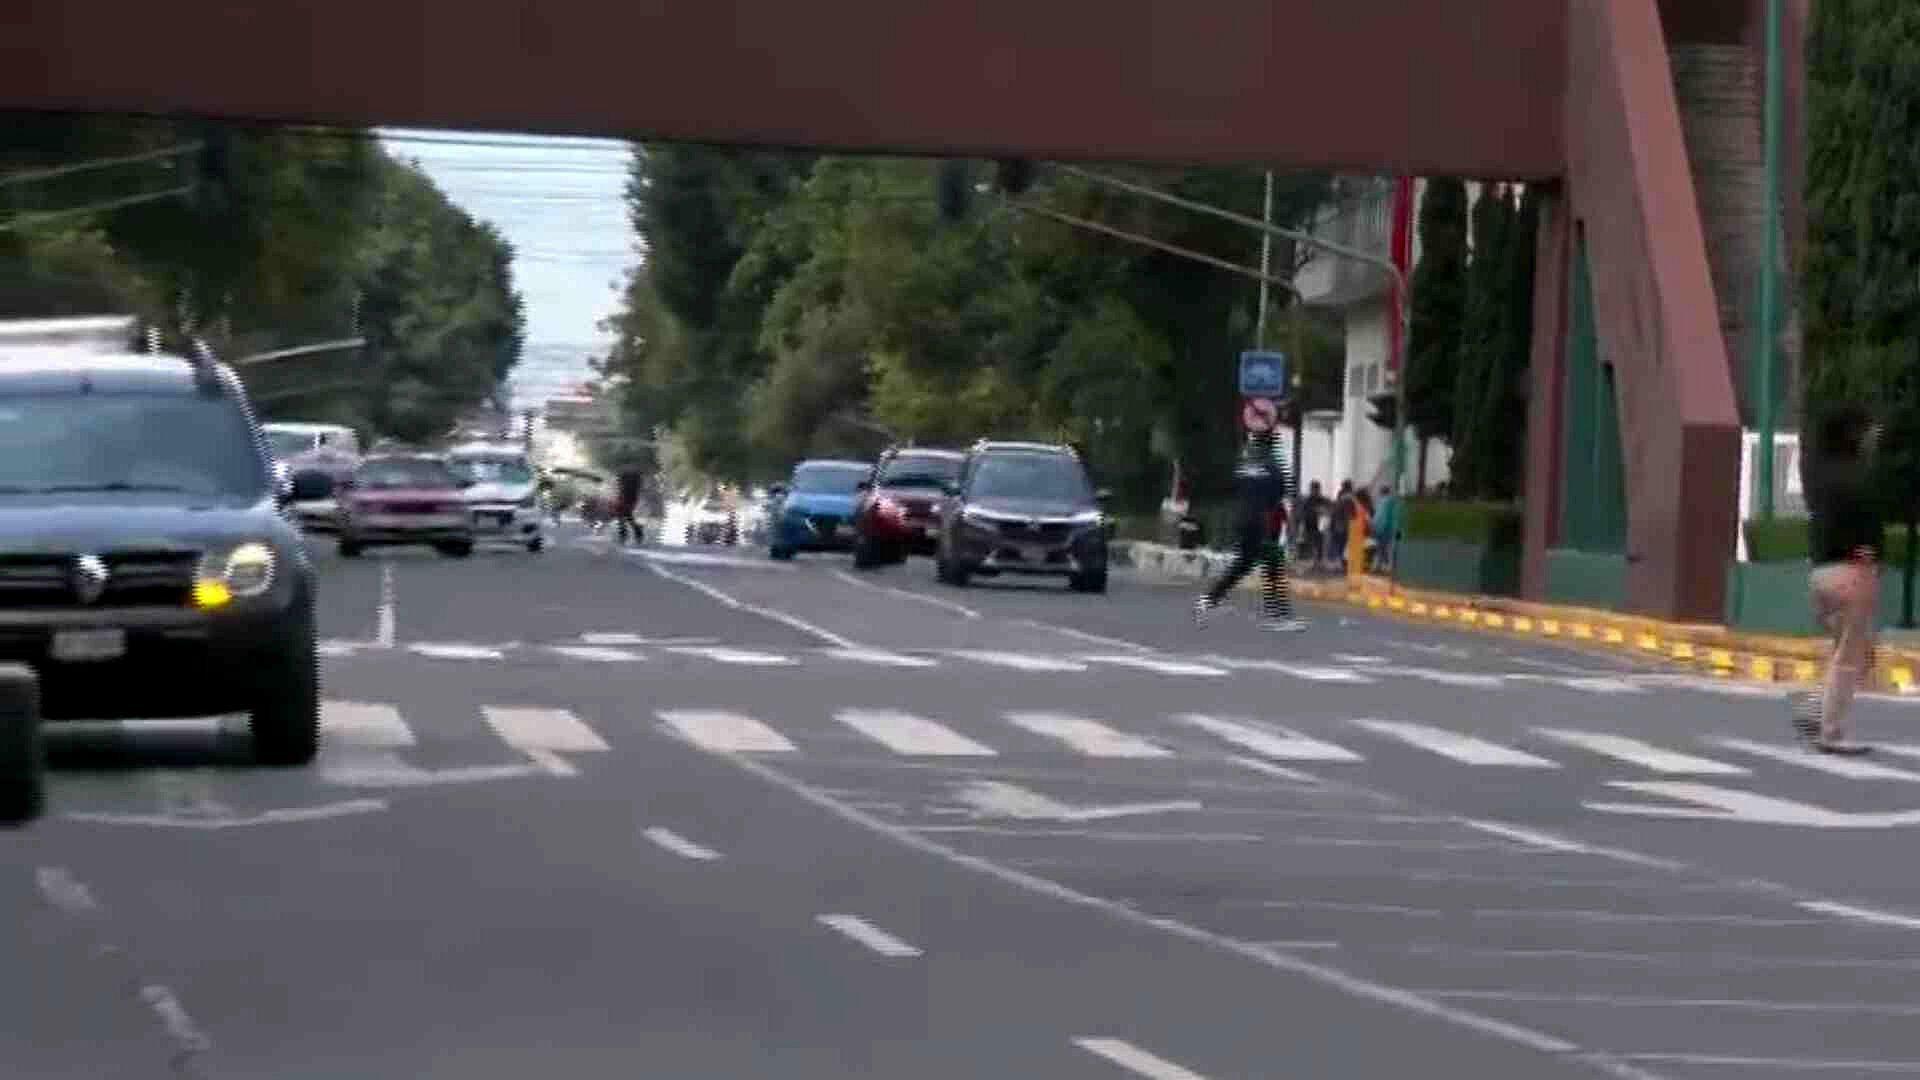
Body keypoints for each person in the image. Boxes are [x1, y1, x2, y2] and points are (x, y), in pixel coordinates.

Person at [1791, 403, 1884, 754]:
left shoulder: (1824, 477)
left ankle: (1812, 710)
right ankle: (1828, 731)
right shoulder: (1856, 479)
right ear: (1854, 435)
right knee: (1850, 657)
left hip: (1822, 574)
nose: (1875, 437)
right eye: (1869, 430)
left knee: (1858, 656)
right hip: (1850, 573)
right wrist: (1867, 562)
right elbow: (1865, 532)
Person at [1195, 429, 1305, 631]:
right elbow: (1277, 498)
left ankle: (1208, 600)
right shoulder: (1274, 468)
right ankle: (1278, 615)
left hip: (1240, 519)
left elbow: (1231, 488)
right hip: (1259, 521)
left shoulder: (1243, 465)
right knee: (1272, 562)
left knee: (1243, 564)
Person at [613, 466, 645, 546]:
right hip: (630, 499)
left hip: (625, 498)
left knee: (623, 516)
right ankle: (636, 532)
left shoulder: (624, 477)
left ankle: (626, 535)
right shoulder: (635, 478)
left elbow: (618, 487)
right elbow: (640, 489)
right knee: (626, 516)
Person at [1346, 489, 1374, 580]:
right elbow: (1367, 521)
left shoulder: (1358, 507)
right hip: (1360, 534)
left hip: (1357, 534)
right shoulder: (1363, 507)